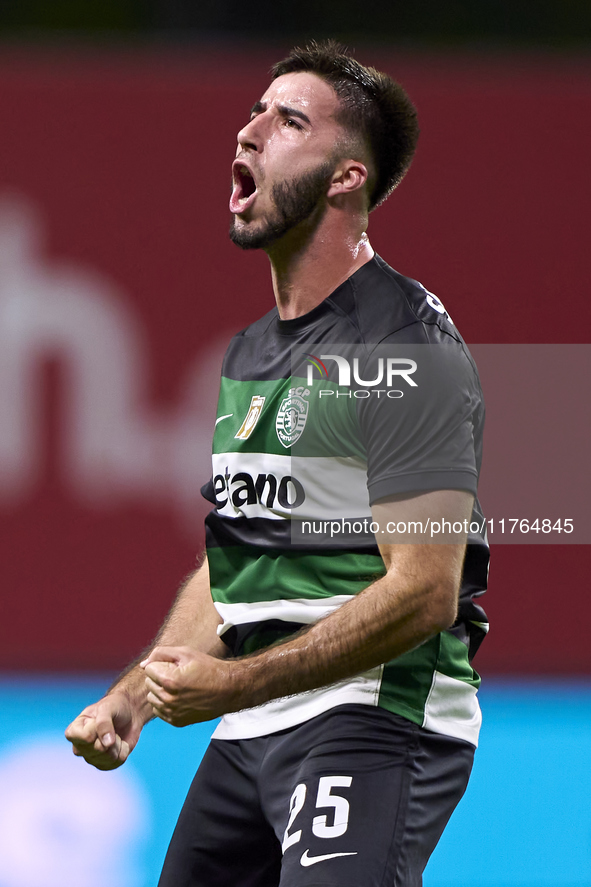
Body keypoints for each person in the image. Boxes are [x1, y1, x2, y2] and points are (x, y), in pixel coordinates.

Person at [66, 40, 489, 886]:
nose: (251, 129)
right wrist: (134, 698)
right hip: (253, 728)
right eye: (255, 110)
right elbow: (236, 567)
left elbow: (424, 590)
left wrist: (230, 684)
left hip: (372, 716)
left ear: (346, 178)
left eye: (289, 119)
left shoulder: (402, 338)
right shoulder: (254, 352)